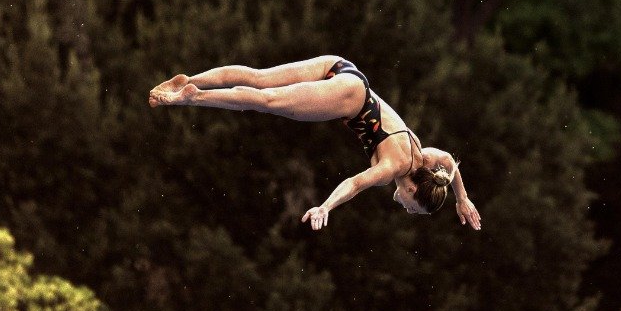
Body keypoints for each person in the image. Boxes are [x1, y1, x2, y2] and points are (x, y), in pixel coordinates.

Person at [148, 55, 482, 232]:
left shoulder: (424, 158)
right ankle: (193, 97)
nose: (408, 211)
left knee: (259, 77)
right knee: (268, 100)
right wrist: (326, 207)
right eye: (415, 209)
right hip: (348, 97)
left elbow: (450, 163)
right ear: (411, 191)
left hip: (341, 68)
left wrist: (462, 199)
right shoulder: (392, 168)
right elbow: (353, 185)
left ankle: (190, 79)